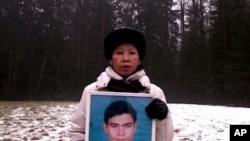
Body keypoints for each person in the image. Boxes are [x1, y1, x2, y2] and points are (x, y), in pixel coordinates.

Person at [68, 27, 174, 141]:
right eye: (119, 53)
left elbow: (165, 139)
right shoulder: (92, 91)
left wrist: (163, 118)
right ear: (110, 59)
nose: (126, 59)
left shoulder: (154, 93)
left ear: (139, 60)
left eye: (132, 53)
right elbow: (77, 132)